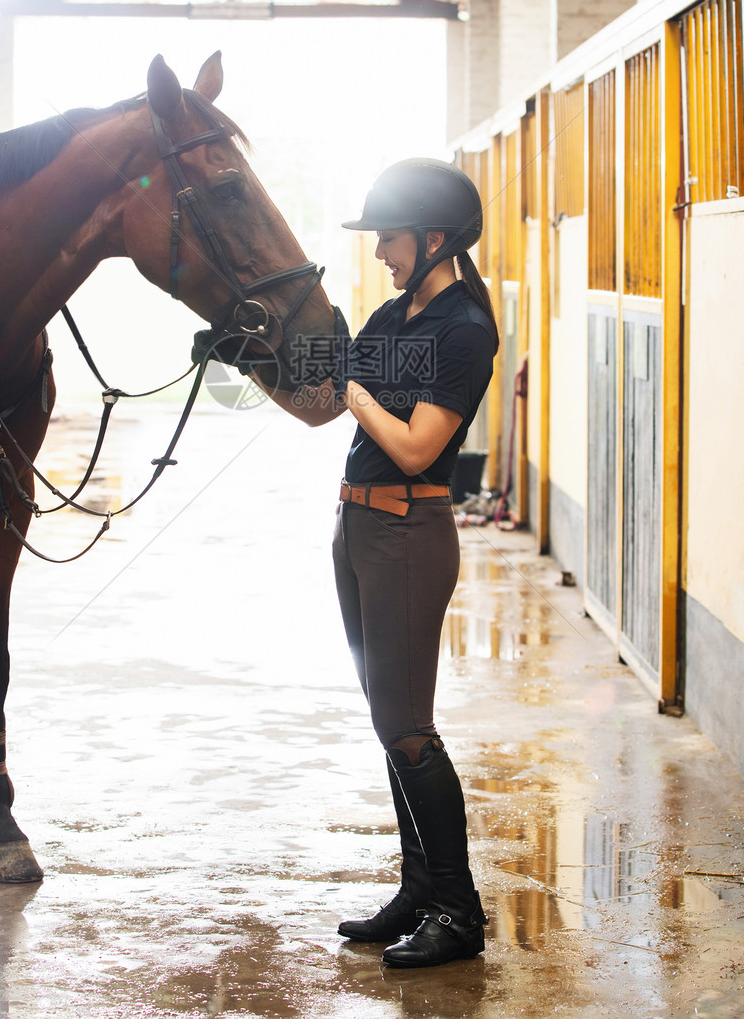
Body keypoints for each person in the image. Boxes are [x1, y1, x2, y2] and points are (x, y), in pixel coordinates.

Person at [249, 158, 498, 969]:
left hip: (406, 535)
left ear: (431, 239)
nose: (382, 254)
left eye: (389, 240)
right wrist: (247, 357)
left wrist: (353, 384)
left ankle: (458, 912)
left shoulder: (462, 329)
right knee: (390, 725)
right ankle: (420, 887)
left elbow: (419, 444)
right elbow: (328, 410)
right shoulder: (395, 319)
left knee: (409, 730)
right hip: (357, 531)